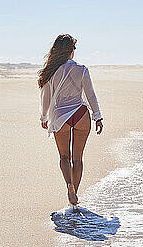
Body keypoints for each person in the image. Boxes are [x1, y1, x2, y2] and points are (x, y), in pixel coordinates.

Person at [38, 34, 103, 207]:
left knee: (64, 157)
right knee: (78, 158)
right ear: (71, 51)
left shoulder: (51, 72)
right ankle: (75, 195)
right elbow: (91, 95)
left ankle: (69, 186)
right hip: (81, 114)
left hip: (61, 117)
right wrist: (98, 117)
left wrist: (44, 117)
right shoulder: (81, 70)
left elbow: (46, 97)